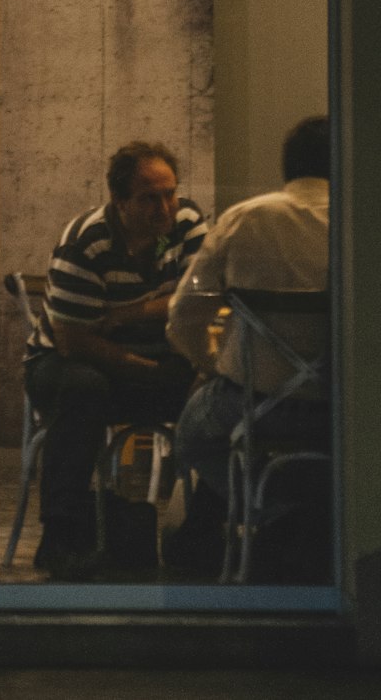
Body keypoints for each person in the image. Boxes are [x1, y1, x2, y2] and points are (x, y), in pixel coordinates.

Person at [24, 141, 207, 577]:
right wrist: (147, 369)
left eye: (170, 192)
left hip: (148, 359)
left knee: (215, 392)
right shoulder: (88, 242)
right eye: (149, 197)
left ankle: (203, 533)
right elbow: (73, 341)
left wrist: (125, 313)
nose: (164, 206)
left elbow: (195, 298)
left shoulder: (180, 227)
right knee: (84, 387)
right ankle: (60, 538)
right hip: (66, 361)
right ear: (120, 202)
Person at [164, 115, 330, 578]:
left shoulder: (246, 218)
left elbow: (183, 315)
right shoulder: (362, 221)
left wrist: (209, 364)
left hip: (252, 407)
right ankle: (308, 521)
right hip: (342, 414)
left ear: (287, 166)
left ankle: (276, 514)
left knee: (193, 438)